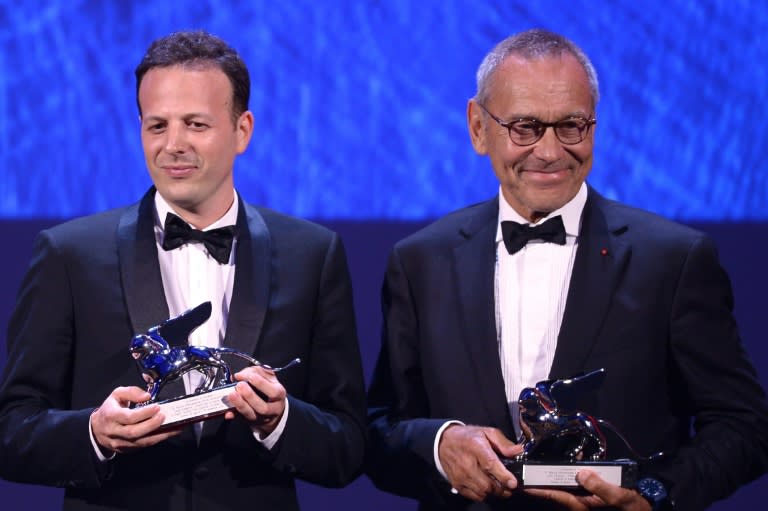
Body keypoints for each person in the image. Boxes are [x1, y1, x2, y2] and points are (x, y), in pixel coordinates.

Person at [366, 28, 768, 511]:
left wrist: (655, 496)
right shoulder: (420, 261)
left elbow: (745, 425)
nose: (551, 151)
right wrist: (439, 445)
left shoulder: (673, 260)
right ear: (478, 127)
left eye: (571, 125)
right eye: (525, 128)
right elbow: (377, 433)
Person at [0, 30, 366, 510]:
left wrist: (280, 422)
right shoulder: (68, 254)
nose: (173, 145)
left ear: (243, 130)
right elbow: (12, 431)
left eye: (195, 124)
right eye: (157, 126)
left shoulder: (313, 255)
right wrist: (93, 433)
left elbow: (350, 446)